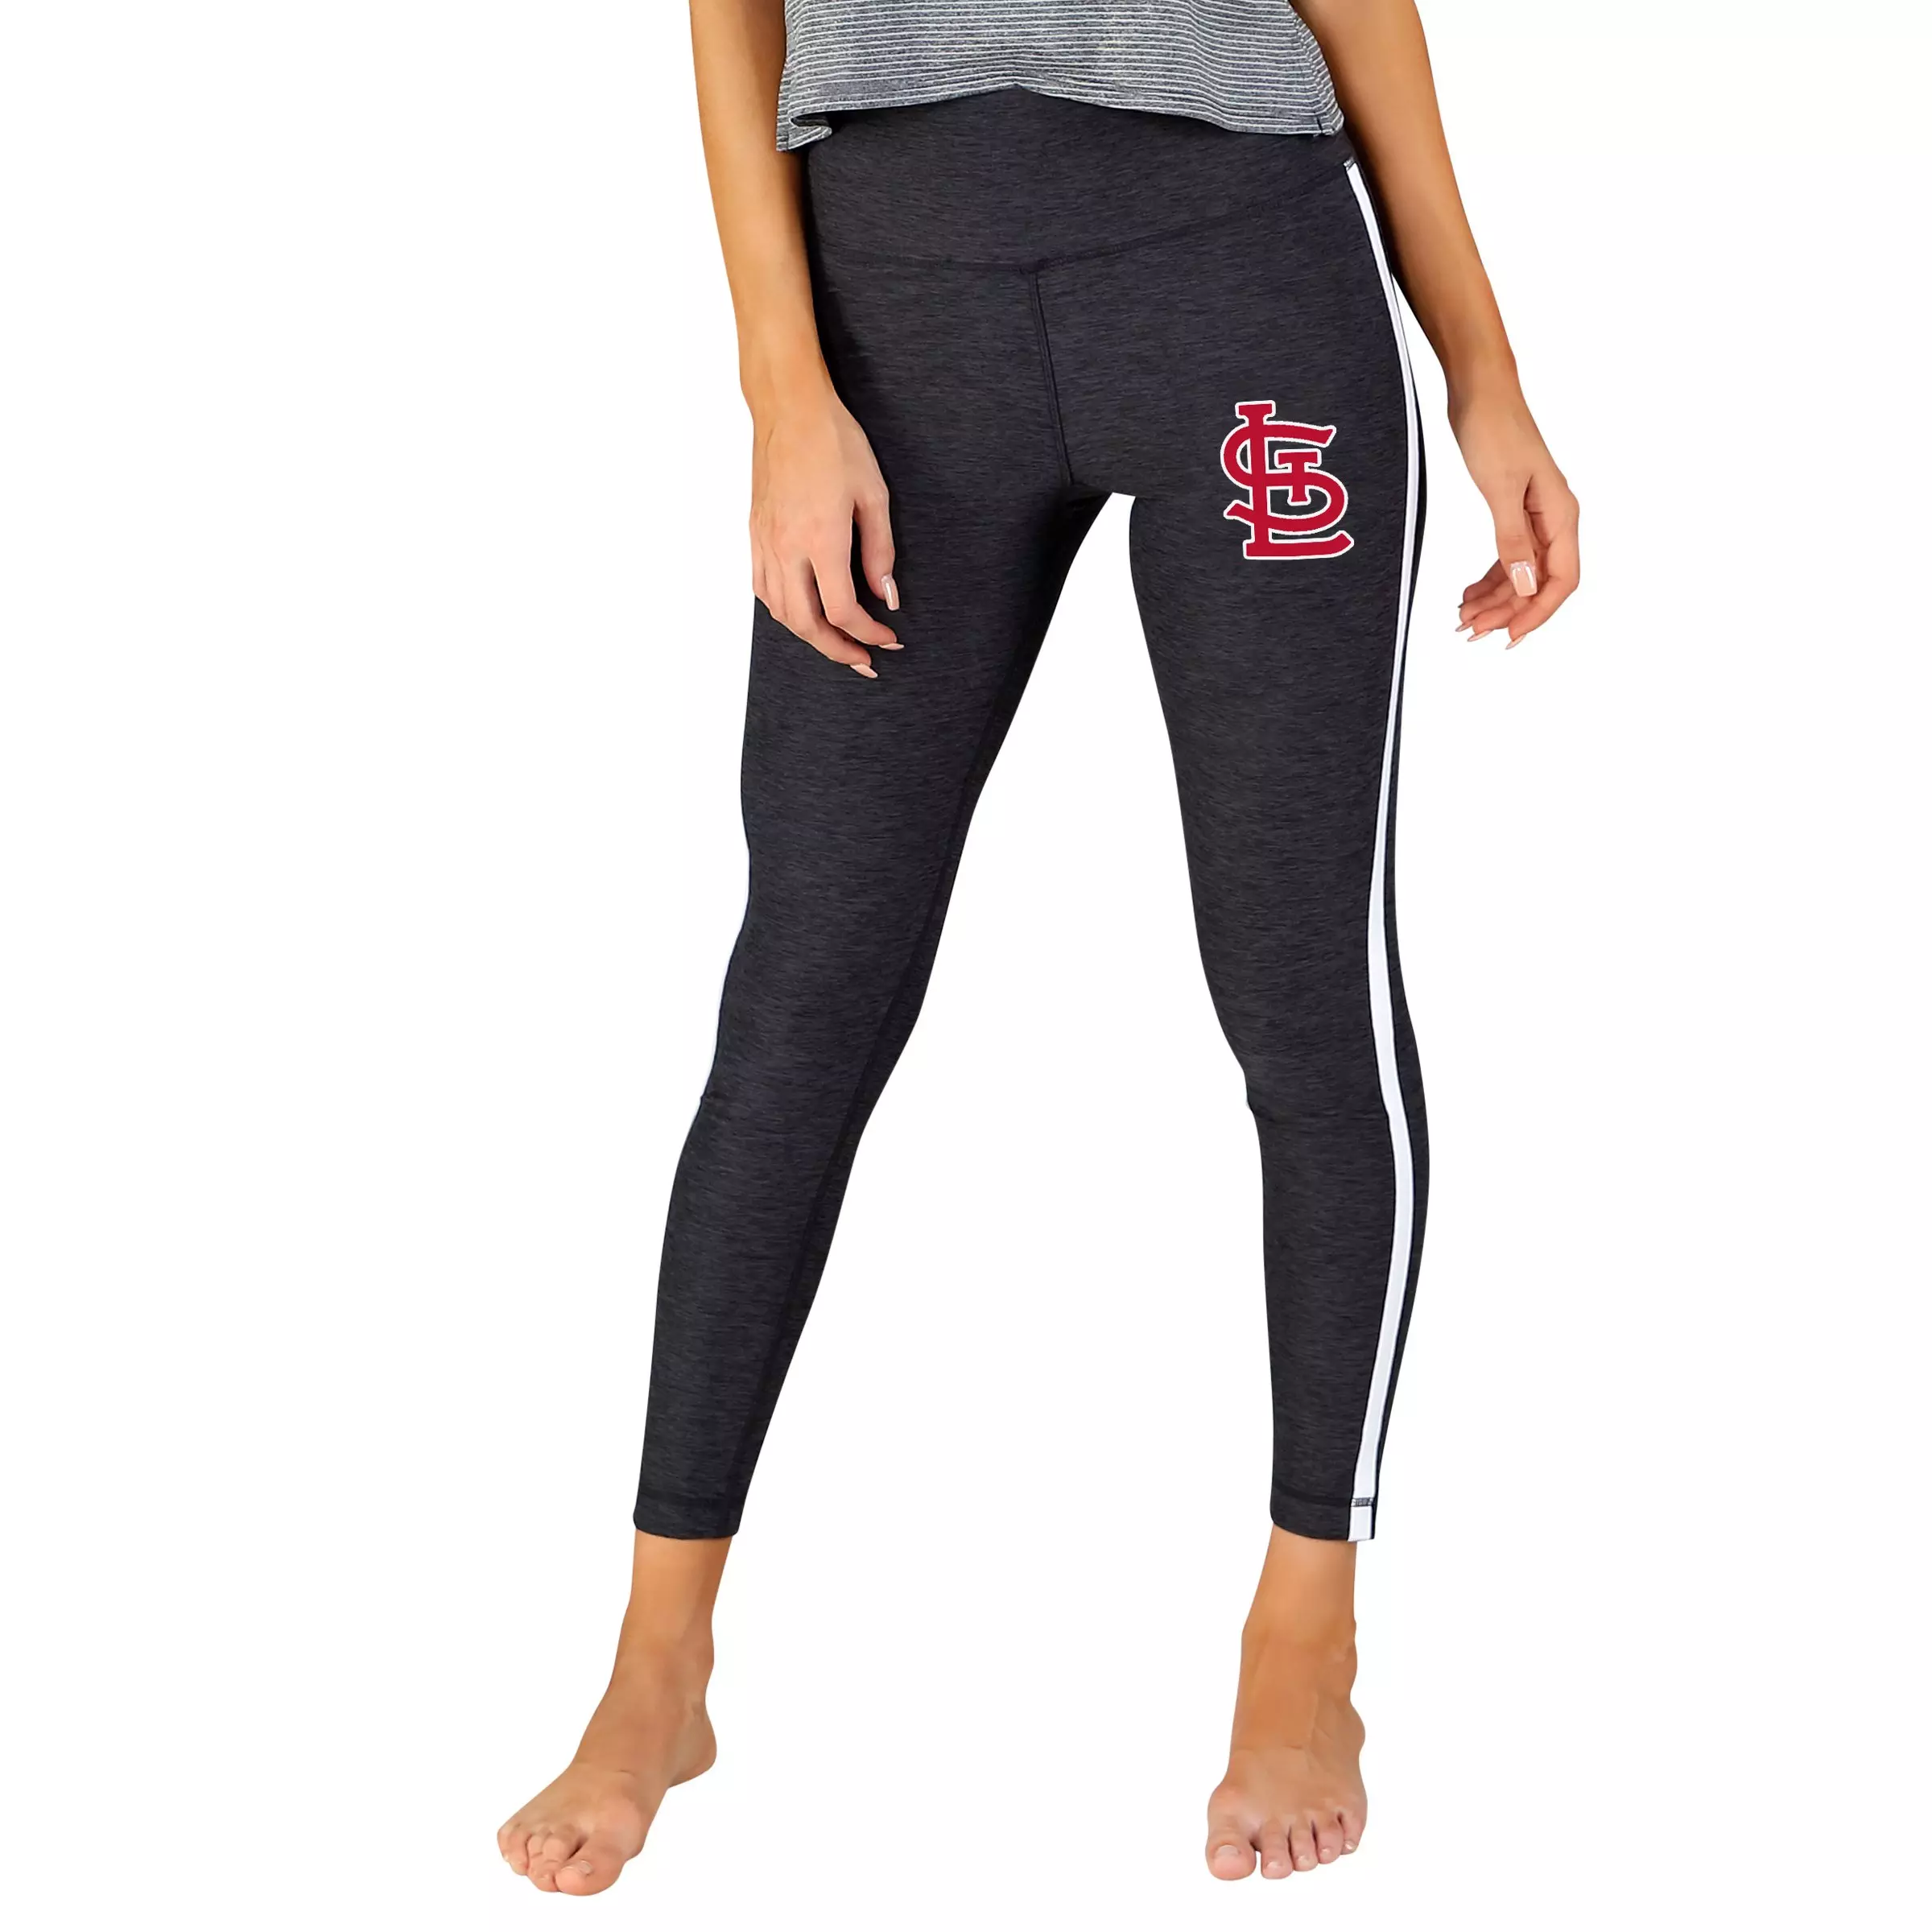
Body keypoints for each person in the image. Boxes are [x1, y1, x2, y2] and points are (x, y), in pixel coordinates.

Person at [499, 0, 1579, 1895]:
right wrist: (781, 387)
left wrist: (1479, 368)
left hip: (1244, 293)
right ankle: (660, 1658)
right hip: (893, 323)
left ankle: (1305, 1626)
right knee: (802, 1001)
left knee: (1300, 990)